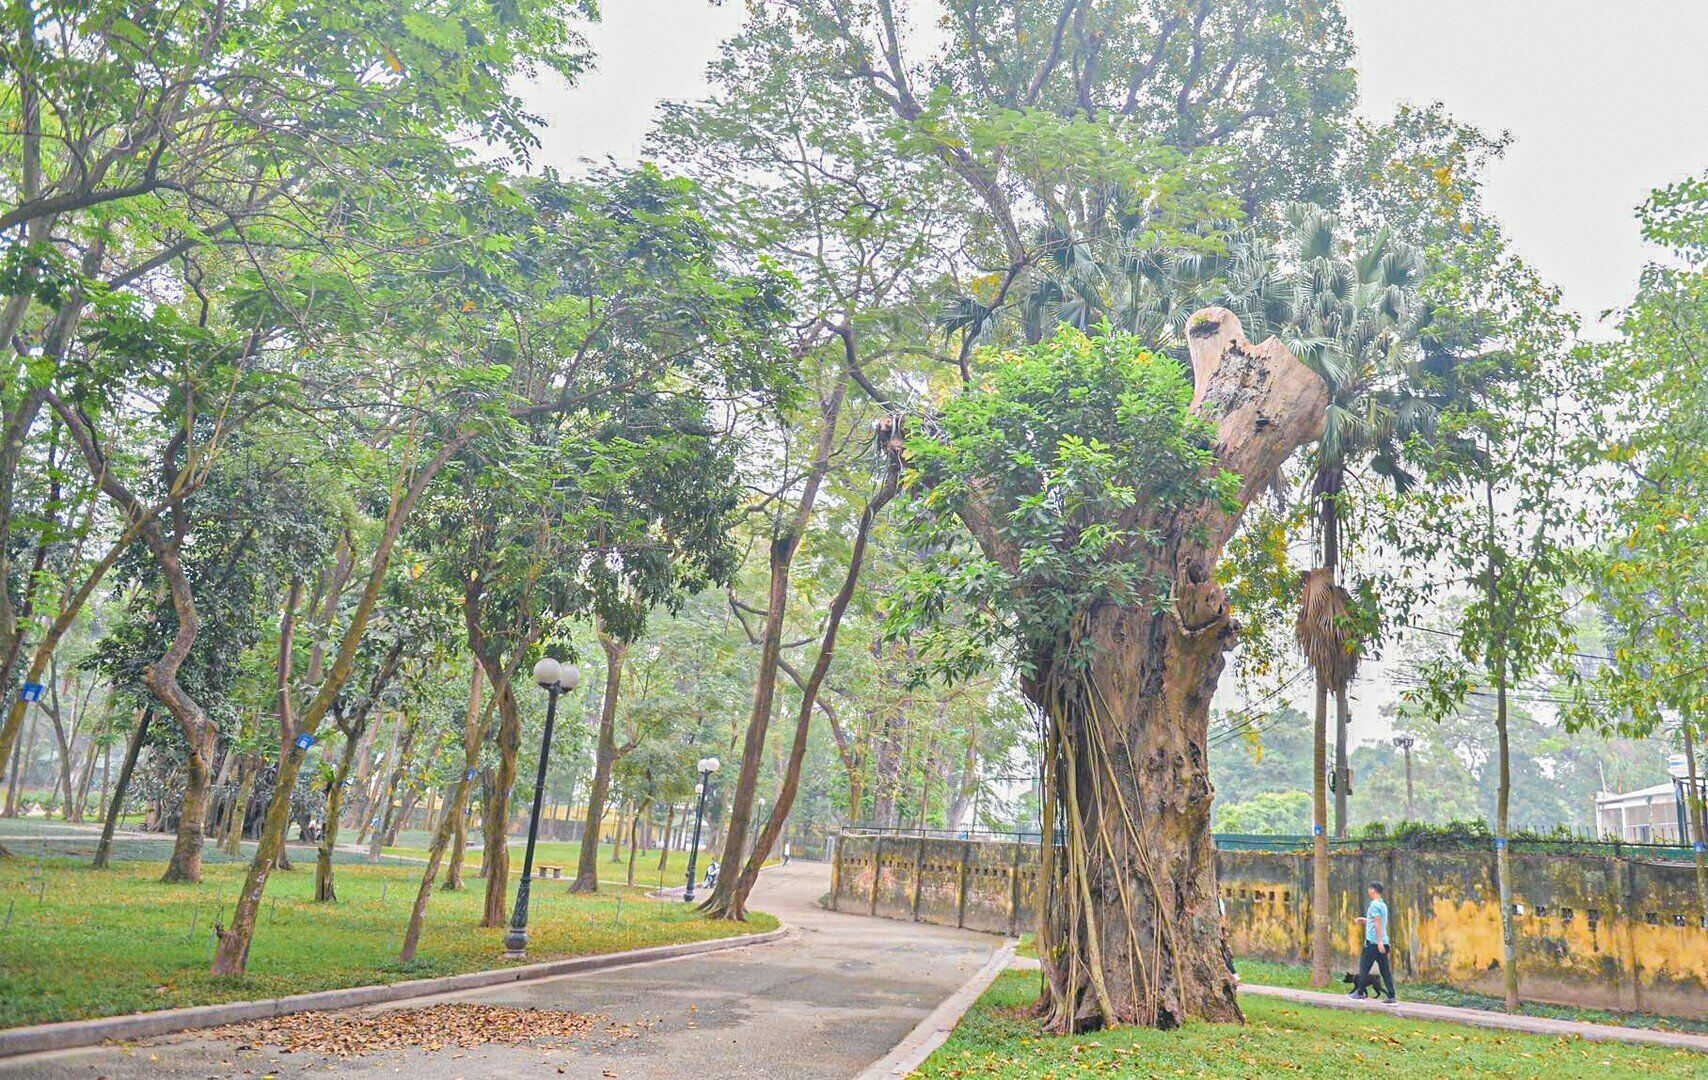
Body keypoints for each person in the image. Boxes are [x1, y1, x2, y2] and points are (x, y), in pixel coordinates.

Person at [1349, 881, 1396, 1003]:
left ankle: (1359, 993)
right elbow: (1376, 921)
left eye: (1369, 889)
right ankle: (1392, 996)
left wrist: (1378, 942)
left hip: (1374, 944)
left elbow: (1377, 923)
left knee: (1364, 968)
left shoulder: (1374, 905)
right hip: (1382, 943)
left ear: (1373, 890)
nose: (1368, 892)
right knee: (1385, 971)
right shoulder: (1382, 905)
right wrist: (1364, 920)